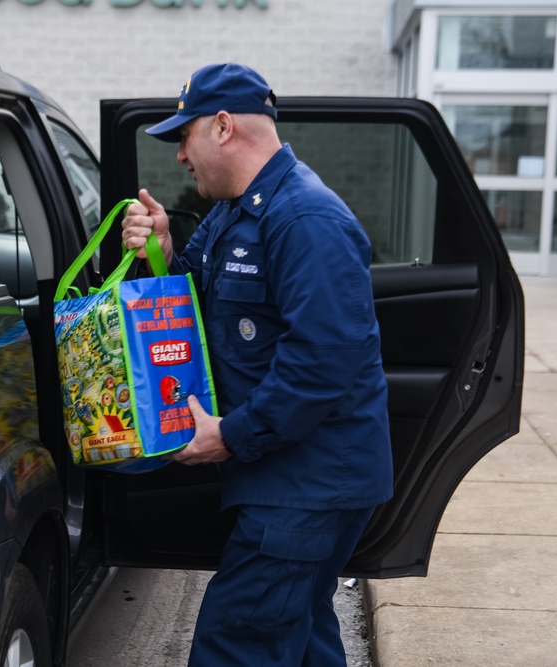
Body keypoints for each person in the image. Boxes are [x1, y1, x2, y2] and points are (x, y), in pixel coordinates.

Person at [121, 63, 394, 667]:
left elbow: (322, 362)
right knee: (300, 636)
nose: (179, 159)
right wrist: (164, 252)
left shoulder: (304, 218)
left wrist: (230, 437)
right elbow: (197, 307)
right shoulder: (232, 214)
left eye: (183, 138)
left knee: (237, 643)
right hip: (291, 482)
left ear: (222, 127)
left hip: (309, 487)